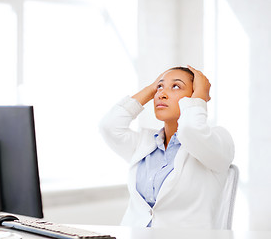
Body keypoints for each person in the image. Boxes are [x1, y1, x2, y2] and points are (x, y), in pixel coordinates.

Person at [99, 65, 234, 229]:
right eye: (159, 87)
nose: (161, 94)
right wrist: (150, 89)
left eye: (176, 86)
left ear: (195, 96)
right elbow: (109, 126)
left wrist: (200, 98)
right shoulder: (145, 143)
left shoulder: (217, 141)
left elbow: (190, 129)